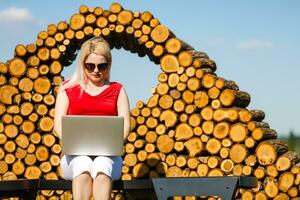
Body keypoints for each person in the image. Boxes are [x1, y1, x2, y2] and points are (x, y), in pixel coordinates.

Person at [53, 36, 130, 200]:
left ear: (108, 65)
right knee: (82, 163)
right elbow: (58, 125)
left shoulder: (118, 90)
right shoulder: (67, 89)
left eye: (101, 66)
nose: (96, 70)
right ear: (82, 64)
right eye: (90, 66)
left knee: (102, 163)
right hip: (73, 158)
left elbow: (125, 127)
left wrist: (114, 144)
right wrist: (69, 141)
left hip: (110, 158)